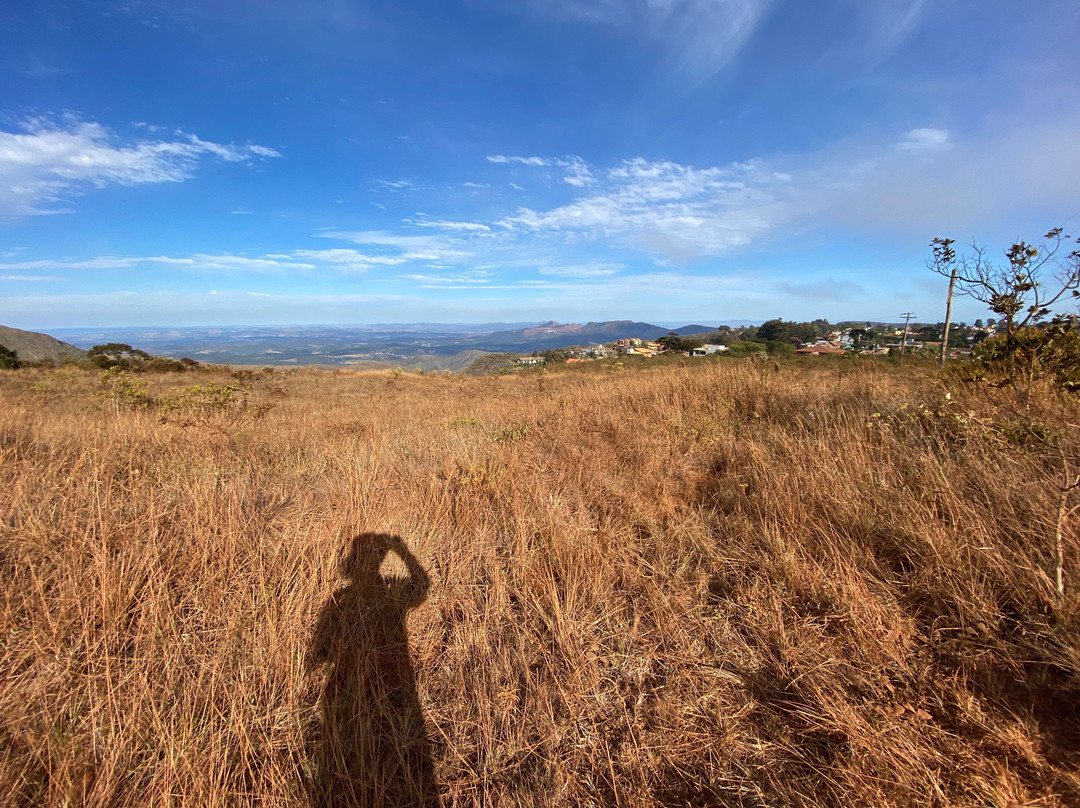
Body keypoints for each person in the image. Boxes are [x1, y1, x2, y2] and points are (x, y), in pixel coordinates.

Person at [307, 533, 436, 807]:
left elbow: (320, 652)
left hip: (346, 697)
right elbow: (422, 585)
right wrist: (403, 551)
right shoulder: (348, 598)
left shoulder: (339, 599)